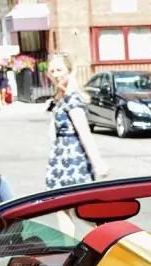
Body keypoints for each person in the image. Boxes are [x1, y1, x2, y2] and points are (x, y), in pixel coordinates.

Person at [44, 54, 108, 189]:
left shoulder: (72, 100)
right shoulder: (61, 98)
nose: (56, 75)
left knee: (71, 205)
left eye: (59, 70)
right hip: (59, 156)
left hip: (73, 158)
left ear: (69, 71)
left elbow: (84, 133)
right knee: (59, 206)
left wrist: (97, 162)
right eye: (52, 71)